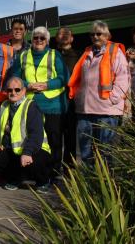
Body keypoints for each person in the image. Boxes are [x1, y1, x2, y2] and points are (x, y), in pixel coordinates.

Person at [68, 20, 129, 165]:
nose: (95, 37)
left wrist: (112, 100)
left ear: (107, 35)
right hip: (85, 110)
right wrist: (78, 98)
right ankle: (89, 184)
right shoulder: (87, 51)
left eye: (99, 34)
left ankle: (105, 185)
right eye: (92, 34)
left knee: (105, 152)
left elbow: (123, 78)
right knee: (85, 152)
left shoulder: (115, 51)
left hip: (106, 111)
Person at [13, 26, 68, 177]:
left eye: (42, 38)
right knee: (31, 140)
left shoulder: (54, 55)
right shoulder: (23, 56)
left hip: (53, 106)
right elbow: (15, 79)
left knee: (54, 141)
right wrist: (27, 85)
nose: (38, 40)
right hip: (30, 106)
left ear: (47, 41)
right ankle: (34, 172)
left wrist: (47, 85)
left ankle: (54, 173)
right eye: (35, 37)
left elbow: (64, 78)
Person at [0, 77, 52, 193]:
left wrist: (27, 152)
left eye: (17, 90)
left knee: (35, 162)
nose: (13, 93)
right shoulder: (3, 106)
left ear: (24, 91)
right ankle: (15, 179)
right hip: (12, 151)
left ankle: (43, 182)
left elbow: (36, 135)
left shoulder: (31, 107)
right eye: (9, 90)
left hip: (35, 150)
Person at [55, 26, 80, 169]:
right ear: (56, 38)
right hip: (53, 102)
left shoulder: (79, 55)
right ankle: (54, 168)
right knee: (55, 137)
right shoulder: (52, 54)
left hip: (71, 102)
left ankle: (69, 170)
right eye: (60, 34)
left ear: (71, 38)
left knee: (70, 138)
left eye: (67, 34)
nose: (63, 36)